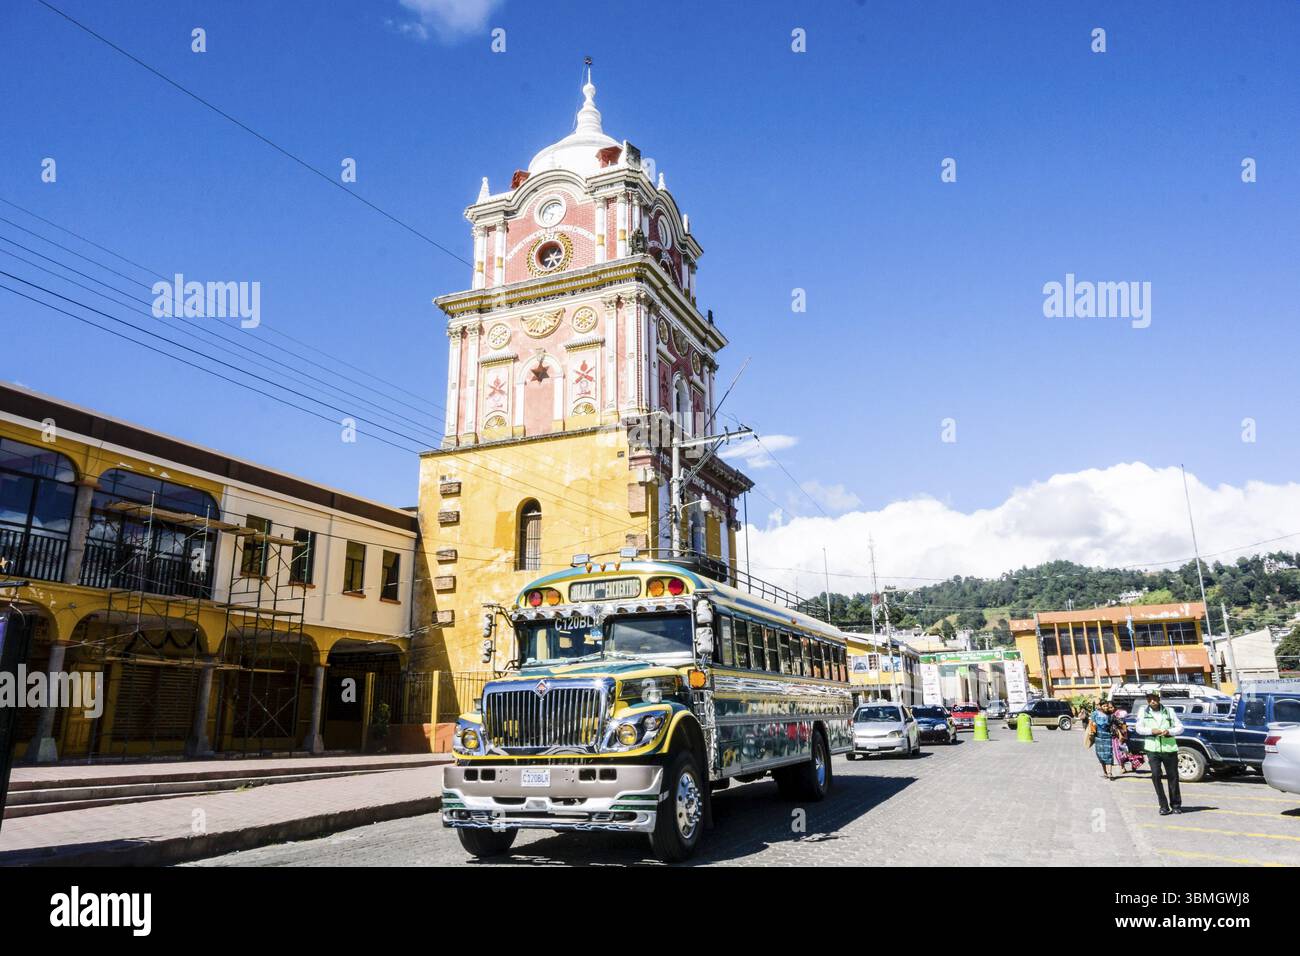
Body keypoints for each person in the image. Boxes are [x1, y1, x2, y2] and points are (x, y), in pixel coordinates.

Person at [1136, 690, 1184, 814]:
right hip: (1153, 749)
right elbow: (1139, 729)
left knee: (1173, 777)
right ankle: (1163, 806)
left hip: (1169, 749)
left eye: (1154, 698)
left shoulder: (1169, 711)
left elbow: (1180, 728)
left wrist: (1170, 732)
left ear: (1159, 698)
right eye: (1149, 698)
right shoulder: (1143, 712)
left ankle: (1176, 805)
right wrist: (1151, 731)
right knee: (1156, 776)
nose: (1152, 700)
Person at [1088, 699, 1117, 779]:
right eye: (1103, 706)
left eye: (1106, 706)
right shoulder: (1095, 714)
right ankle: (1105, 772)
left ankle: (1110, 773)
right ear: (1100, 706)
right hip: (1098, 737)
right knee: (1101, 755)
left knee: (1109, 755)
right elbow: (1092, 724)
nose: (1105, 707)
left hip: (1108, 737)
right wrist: (1092, 732)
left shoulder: (1110, 715)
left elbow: (1116, 723)